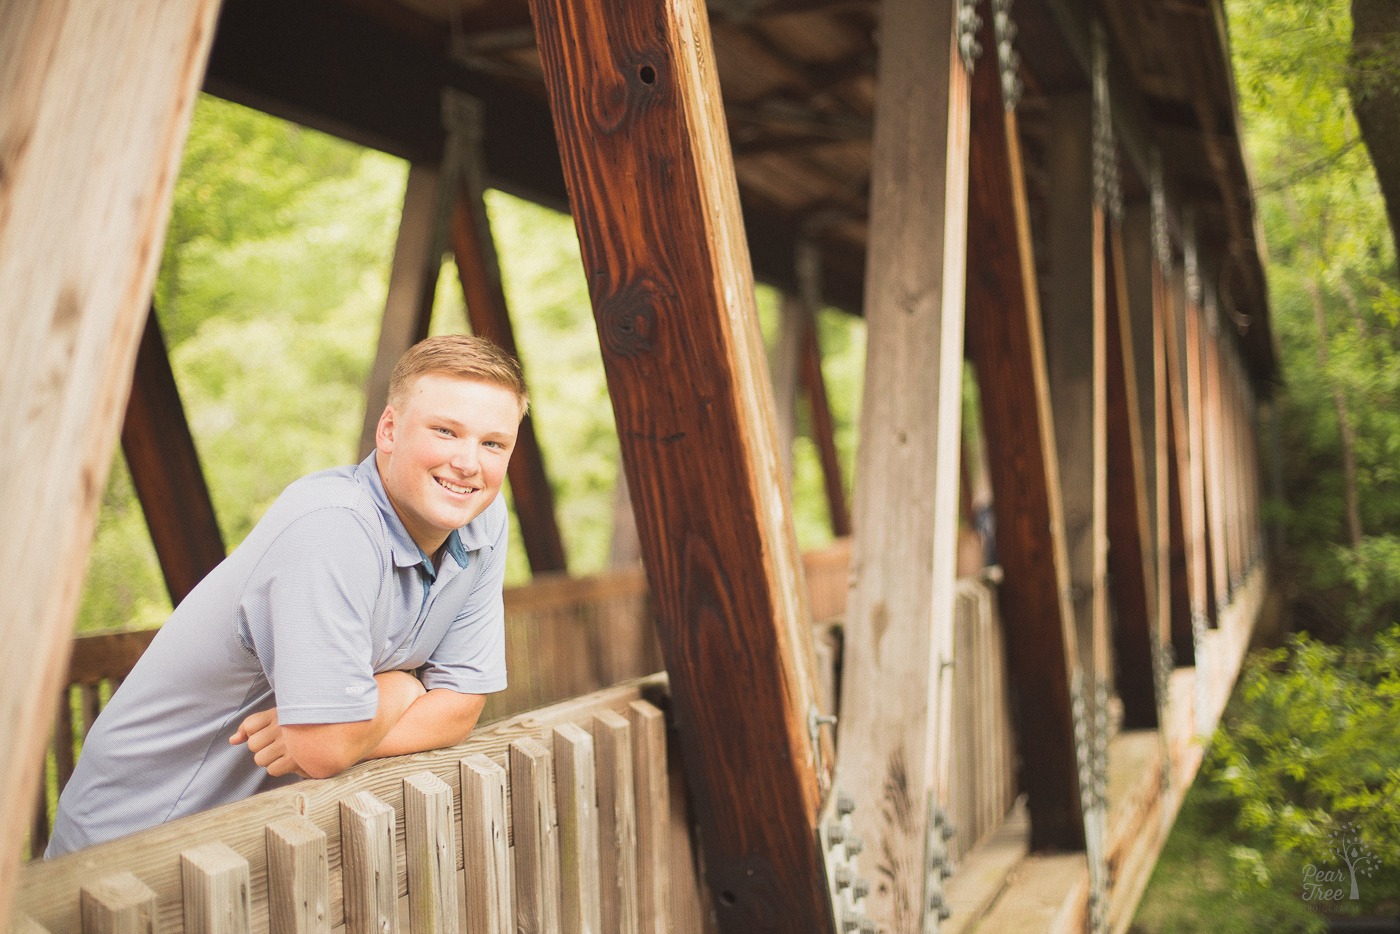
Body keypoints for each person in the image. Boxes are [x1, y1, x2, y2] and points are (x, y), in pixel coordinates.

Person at [47, 334, 526, 856]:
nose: (468, 463)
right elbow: (324, 749)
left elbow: (460, 707)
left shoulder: (482, 521)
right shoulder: (331, 527)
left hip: (246, 841)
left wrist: (343, 733)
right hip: (133, 841)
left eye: (493, 444)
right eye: (445, 431)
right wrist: (401, 692)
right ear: (388, 429)